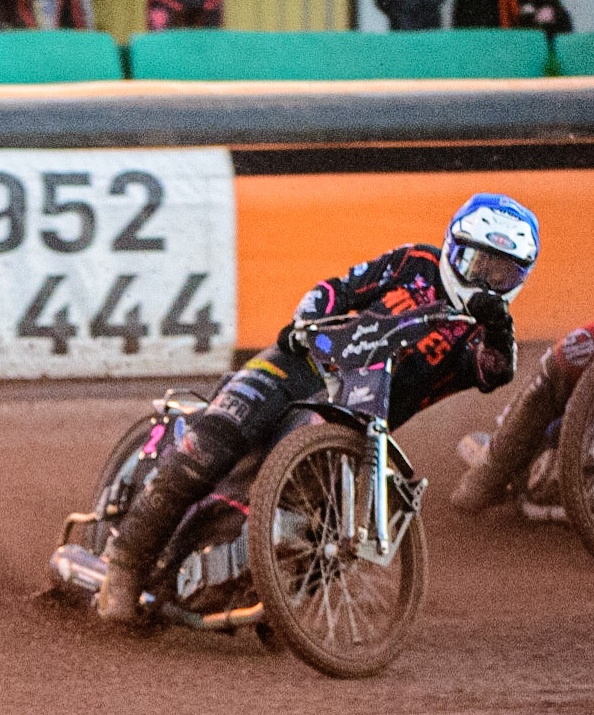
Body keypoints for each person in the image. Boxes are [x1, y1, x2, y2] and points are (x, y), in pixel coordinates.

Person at [96, 193, 540, 621]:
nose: (485, 279)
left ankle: (273, 592)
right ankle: (125, 565)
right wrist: (304, 322)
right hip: (303, 362)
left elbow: (496, 372)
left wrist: (498, 326)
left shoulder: (484, 336)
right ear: (453, 249)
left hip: (351, 426)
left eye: (501, 274)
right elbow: (339, 289)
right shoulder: (416, 264)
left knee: (320, 513)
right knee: (211, 443)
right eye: (477, 263)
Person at [451, 320, 594, 516]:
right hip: (564, 441)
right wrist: (493, 470)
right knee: (480, 489)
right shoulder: (584, 342)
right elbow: (543, 389)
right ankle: (493, 469)